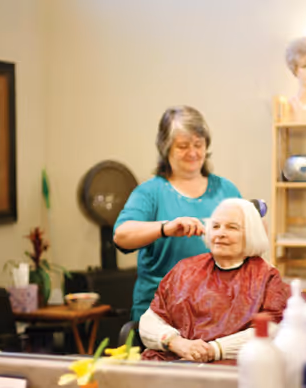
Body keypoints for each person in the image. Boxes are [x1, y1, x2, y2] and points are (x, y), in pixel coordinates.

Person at [114, 106, 241, 322]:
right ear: (166, 149)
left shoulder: (226, 190)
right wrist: (165, 228)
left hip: (216, 314)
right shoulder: (150, 192)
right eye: (183, 146)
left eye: (198, 145)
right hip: (161, 317)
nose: (192, 153)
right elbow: (121, 236)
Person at [138, 198, 290, 364]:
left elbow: (271, 329)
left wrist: (215, 349)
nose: (220, 233)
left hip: (229, 368)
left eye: (232, 227)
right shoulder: (185, 269)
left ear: (251, 234)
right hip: (172, 360)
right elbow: (150, 320)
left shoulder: (266, 276)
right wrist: (176, 343)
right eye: (216, 226)